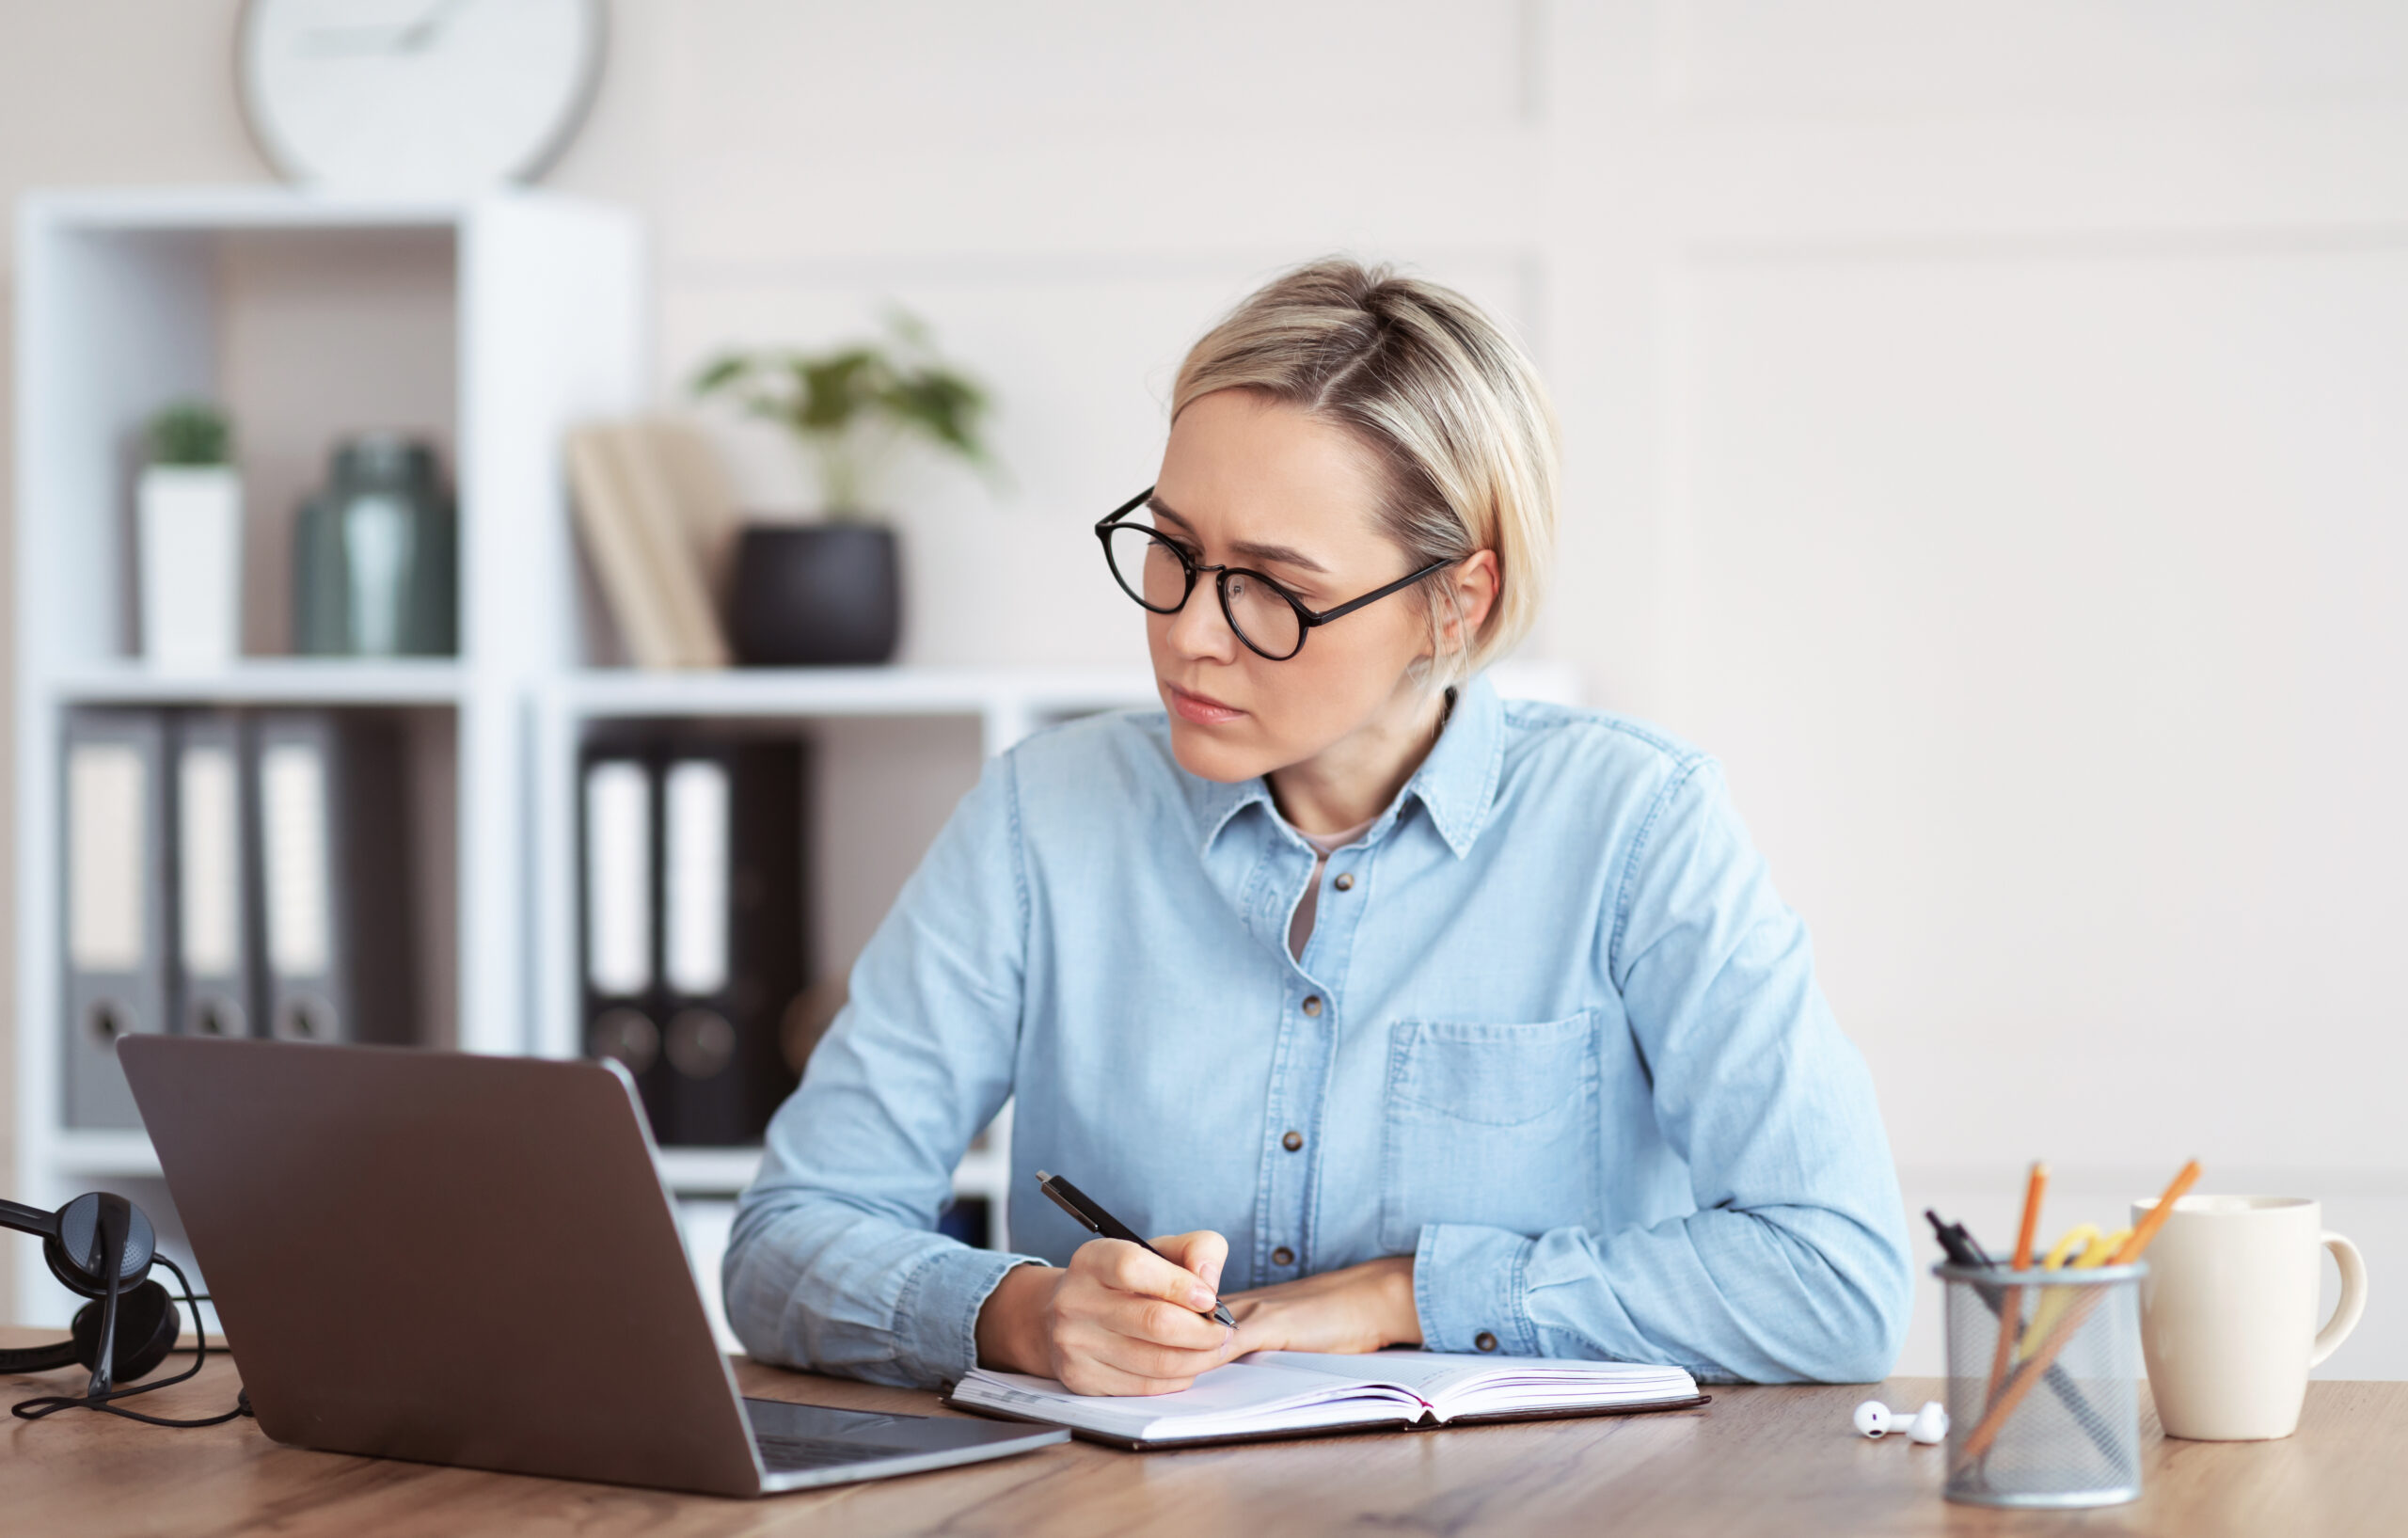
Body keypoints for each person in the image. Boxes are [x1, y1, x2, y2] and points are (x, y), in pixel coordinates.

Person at [725, 259, 1911, 1396]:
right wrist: (1024, 1317)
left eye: (1272, 587)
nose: (1190, 633)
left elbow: (1834, 1280)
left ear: (1456, 600)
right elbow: (787, 1238)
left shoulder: (1637, 828)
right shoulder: (1042, 817)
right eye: (1173, 553)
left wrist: (1407, 1295)